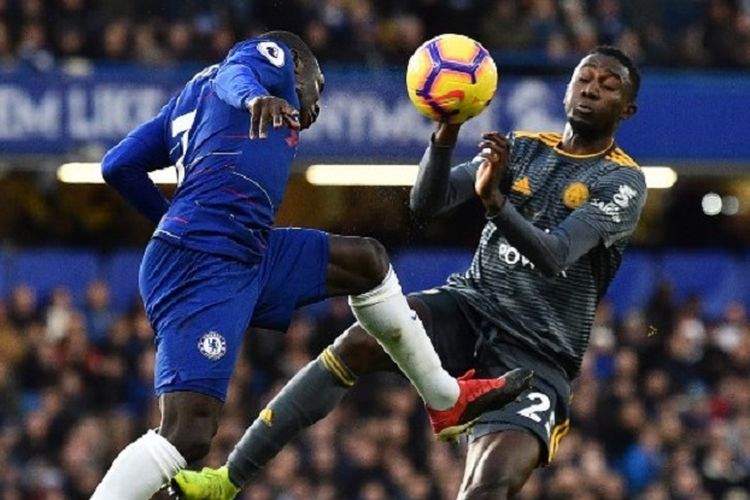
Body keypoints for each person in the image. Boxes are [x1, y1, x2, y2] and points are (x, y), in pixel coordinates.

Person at [173, 45, 647, 500]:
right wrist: (443, 137)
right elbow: (426, 204)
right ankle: (227, 481)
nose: (590, 89)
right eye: (583, 78)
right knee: (356, 343)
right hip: (470, 307)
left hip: (538, 354)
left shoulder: (621, 181)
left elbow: (555, 255)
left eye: (607, 86)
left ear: (626, 111)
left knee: (487, 486)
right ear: (566, 91)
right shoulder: (522, 149)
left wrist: (495, 205)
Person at [91, 30, 530, 500]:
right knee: (188, 433)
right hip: (201, 264)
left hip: (247, 251)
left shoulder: (185, 103)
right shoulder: (264, 64)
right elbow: (237, 73)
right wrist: (258, 95)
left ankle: (446, 401)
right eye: (319, 87)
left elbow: (119, 165)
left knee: (366, 263)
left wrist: (170, 222)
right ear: (298, 67)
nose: (315, 108)